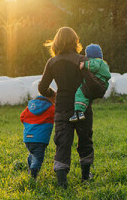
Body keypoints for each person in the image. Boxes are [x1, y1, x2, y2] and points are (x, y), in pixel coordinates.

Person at [38, 27, 102, 187]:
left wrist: (52, 94)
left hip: (62, 107)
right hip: (82, 107)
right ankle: (86, 176)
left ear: (56, 43)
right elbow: (94, 84)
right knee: (85, 140)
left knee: (63, 142)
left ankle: (62, 181)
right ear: (75, 42)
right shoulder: (83, 61)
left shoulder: (52, 62)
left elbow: (42, 87)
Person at [69, 44, 111, 122]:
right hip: (102, 84)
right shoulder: (103, 63)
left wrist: (84, 64)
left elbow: (94, 66)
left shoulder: (95, 61)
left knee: (80, 92)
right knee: (86, 96)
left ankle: (79, 112)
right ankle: (80, 113)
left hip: (96, 81)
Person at [20, 94, 55, 179]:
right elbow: (59, 115)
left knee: (32, 154)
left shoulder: (30, 107)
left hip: (27, 138)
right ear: (51, 98)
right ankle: (33, 175)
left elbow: (22, 117)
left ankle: (30, 169)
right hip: (40, 139)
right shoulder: (51, 108)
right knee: (38, 158)